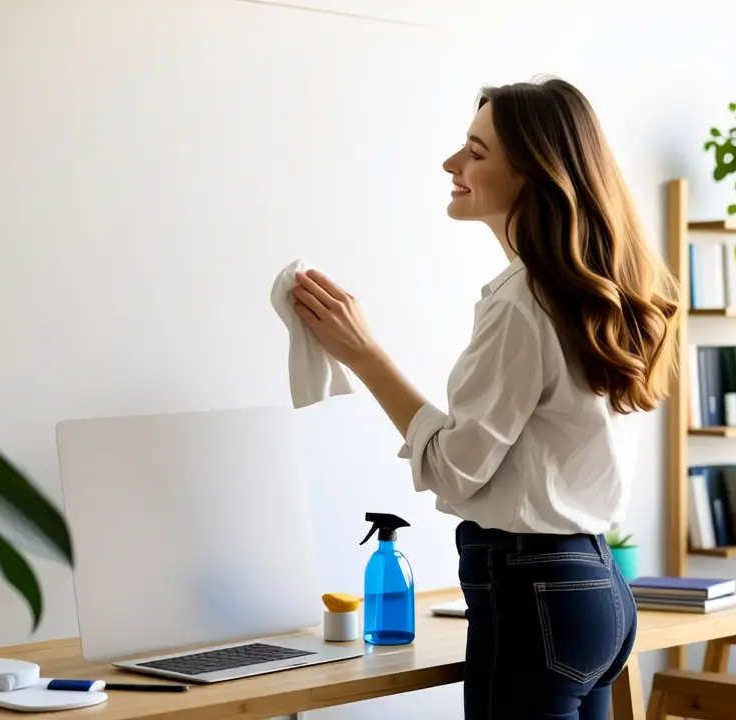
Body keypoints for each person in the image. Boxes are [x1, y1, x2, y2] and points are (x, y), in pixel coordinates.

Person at [290, 77, 679, 720]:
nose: (452, 165)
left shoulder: (523, 303)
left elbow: (453, 469)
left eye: (475, 151)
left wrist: (365, 356)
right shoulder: (586, 292)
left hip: (534, 595)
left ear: (534, 173)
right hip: (597, 588)